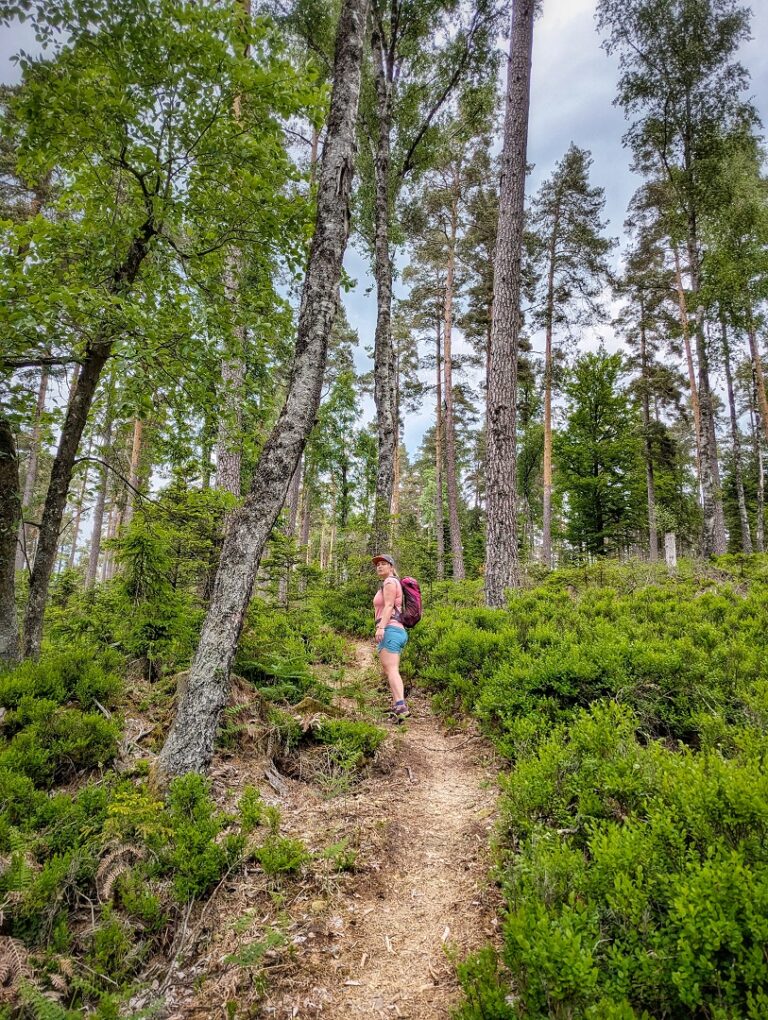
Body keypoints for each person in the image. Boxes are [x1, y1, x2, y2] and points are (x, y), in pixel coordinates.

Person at [372, 554, 410, 719]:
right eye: (378, 564)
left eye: (383, 564)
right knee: (390, 669)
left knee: (392, 669)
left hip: (390, 629)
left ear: (392, 567)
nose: (379, 566)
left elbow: (388, 606)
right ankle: (397, 706)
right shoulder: (393, 582)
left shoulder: (389, 581)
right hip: (397, 631)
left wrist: (381, 628)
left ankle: (401, 705)